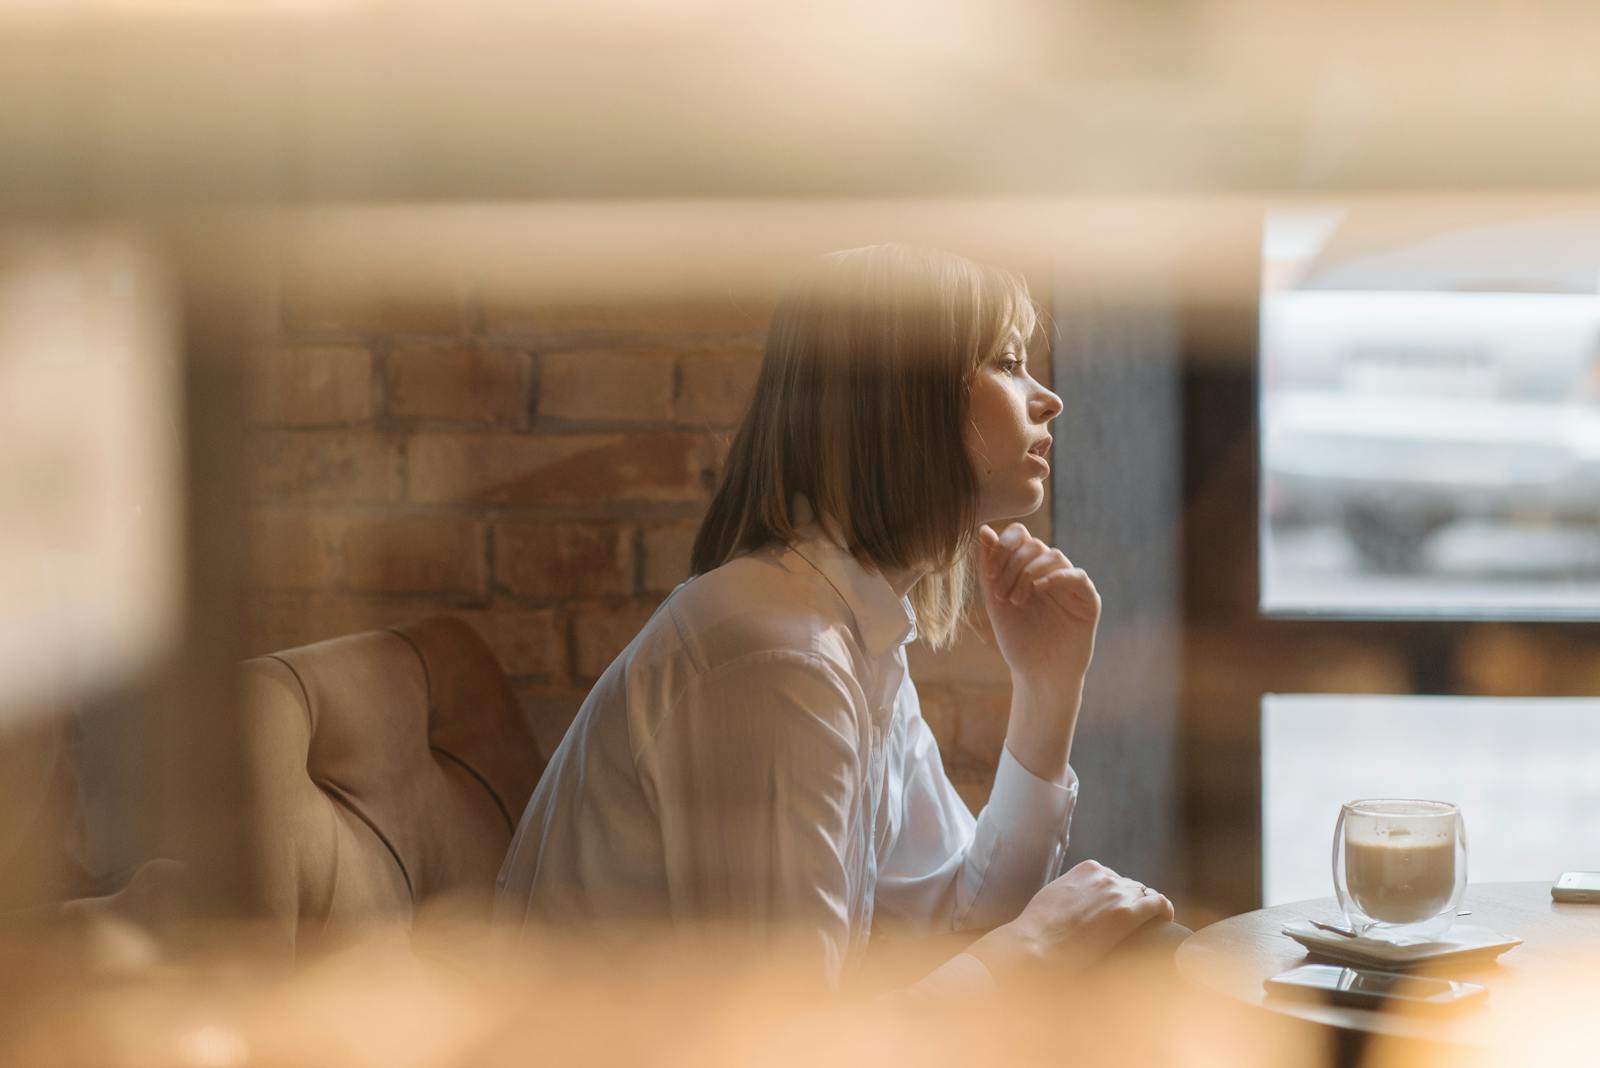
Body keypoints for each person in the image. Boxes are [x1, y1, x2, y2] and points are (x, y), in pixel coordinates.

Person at [496, 244, 1173, 994]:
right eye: (1009, 363)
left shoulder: (851, 633)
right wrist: (1041, 942)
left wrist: (1047, 691)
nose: (1049, 399)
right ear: (905, 401)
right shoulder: (779, 658)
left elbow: (957, 921)